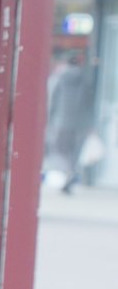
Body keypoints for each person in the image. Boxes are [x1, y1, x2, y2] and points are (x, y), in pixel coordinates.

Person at [46, 51, 96, 194]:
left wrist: (50, 120)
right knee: (74, 153)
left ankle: (62, 176)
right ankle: (69, 176)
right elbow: (88, 104)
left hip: (60, 122)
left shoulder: (60, 79)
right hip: (79, 125)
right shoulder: (84, 80)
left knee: (60, 151)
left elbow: (53, 101)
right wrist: (89, 125)